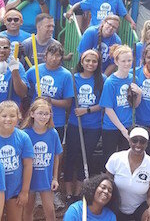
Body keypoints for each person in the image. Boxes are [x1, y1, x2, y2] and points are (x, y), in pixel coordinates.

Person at [64, 50, 105, 201]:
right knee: (71, 156)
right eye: (87, 61)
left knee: (85, 157)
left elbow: (103, 103)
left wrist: (86, 110)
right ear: (82, 62)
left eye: (94, 61)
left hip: (93, 126)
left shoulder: (102, 79)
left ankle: (78, 192)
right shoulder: (73, 78)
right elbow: (68, 98)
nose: (90, 64)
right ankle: (68, 192)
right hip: (75, 125)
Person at [0, 100, 34, 221]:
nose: (8, 119)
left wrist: (24, 191)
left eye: (12, 116)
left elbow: (28, 164)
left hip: (15, 189)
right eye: (4, 116)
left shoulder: (23, 137)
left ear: (18, 117)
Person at [105, 127, 150, 221]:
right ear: (129, 141)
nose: (138, 144)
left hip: (139, 207)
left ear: (147, 143)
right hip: (115, 205)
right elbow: (105, 182)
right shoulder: (116, 158)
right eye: (134, 140)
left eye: (142, 141)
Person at [99, 45, 143, 166]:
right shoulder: (110, 82)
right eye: (123, 61)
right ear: (116, 61)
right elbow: (108, 109)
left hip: (129, 125)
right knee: (110, 160)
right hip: (112, 127)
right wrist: (122, 129)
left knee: (126, 160)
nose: (126, 63)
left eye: (129, 60)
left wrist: (139, 94)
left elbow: (135, 106)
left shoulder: (134, 78)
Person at [23, 98, 64, 221]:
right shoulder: (25, 134)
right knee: (28, 209)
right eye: (40, 113)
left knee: (50, 210)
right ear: (32, 114)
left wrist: (55, 178)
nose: (43, 116)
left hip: (45, 178)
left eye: (46, 114)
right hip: (29, 179)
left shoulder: (53, 133)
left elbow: (56, 155)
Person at [24, 43, 75, 136]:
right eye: (51, 54)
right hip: (35, 119)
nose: (54, 58)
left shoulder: (66, 75)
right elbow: (23, 84)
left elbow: (68, 103)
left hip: (56, 121)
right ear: (45, 56)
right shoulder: (34, 70)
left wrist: (50, 100)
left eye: (58, 56)